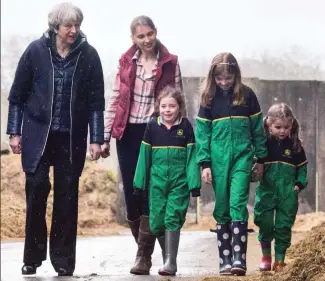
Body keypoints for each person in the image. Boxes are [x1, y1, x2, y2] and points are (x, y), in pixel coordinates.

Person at [6, 2, 105, 277]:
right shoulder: (35, 52)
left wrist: (97, 138)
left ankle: (63, 261)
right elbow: (17, 96)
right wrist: (14, 132)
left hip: (70, 138)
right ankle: (32, 257)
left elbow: (97, 102)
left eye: (77, 25)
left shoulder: (89, 55)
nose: (73, 31)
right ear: (55, 27)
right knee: (36, 190)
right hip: (38, 134)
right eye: (68, 26)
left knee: (67, 197)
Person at [101, 15, 183, 275]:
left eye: (149, 34)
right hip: (127, 133)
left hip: (156, 133)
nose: (146, 40)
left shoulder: (170, 63)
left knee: (152, 191)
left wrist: (181, 137)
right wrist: (104, 136)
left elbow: (179, 101)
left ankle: (143, 257)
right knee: (132, 192)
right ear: (133, 38)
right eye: (140, 36)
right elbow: (115, 98)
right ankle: (146, 249)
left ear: (156, 32)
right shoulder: (126, 62)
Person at [195, 52, 267, 276]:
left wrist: (261, 159)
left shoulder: (247, 95)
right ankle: (224, 259)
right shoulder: (208, 99)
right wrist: (205, 163)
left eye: (228, 77)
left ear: (236, 75)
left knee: (238, 202)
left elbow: (257, 130)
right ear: (212, 76)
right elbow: (202, 134)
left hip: (242, 158)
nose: (224, 82)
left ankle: (239, 259)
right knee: (222, 205)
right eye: (219, 78)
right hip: (217, 160)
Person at [133, 86, 201, 276]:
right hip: (157, 182)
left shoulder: (185, 127)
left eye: (172, 106)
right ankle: (166, 258)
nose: (167, 110)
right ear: (158, 107)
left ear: (179, 107)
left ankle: (171, 262)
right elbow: (144, 156)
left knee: (173, 218)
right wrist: (140, 182)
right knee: (156, 223)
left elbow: (191, 158)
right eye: (163, 106)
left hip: (179, 181)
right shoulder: (152, 126)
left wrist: (194, 184)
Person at [254, 103, 308, 272]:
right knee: (265, 222)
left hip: (287, 192)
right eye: (278, 127)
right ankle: (266, 257)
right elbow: (254, 165)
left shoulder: (295, 146)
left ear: (291, 126)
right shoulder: (262, 144)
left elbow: (303, 169)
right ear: (268, 125)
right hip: (266, 191)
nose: (282, 131)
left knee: (284, 225)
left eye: (286, 127)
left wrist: (299, 184)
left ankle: (279, 260)